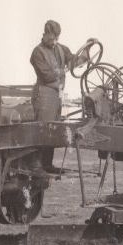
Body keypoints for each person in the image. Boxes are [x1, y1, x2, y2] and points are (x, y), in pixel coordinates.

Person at [30, 19, 84, 170]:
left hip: (56, 95)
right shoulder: (37, 53)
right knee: (42, 129)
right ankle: (36, 164)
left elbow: (74, 60)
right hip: (43, 95)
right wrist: (63, 71)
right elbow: (47, 76)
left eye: (57, 38)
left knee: (53, 130)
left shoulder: (61, 49)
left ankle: (47, 164)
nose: (54, 41)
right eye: (52, 38)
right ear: (45, 34)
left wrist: (85, 55)